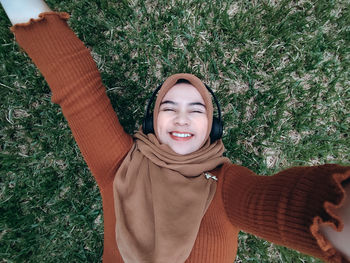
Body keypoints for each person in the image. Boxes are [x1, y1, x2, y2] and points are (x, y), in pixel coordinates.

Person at [1, 1, 350, 262]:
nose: (182, 118)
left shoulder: (226, 185)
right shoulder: (118, 164)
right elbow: (75, 83)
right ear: (153, 122)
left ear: (212, 127)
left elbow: (284, 204)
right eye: (169, 108)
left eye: (196, 110)